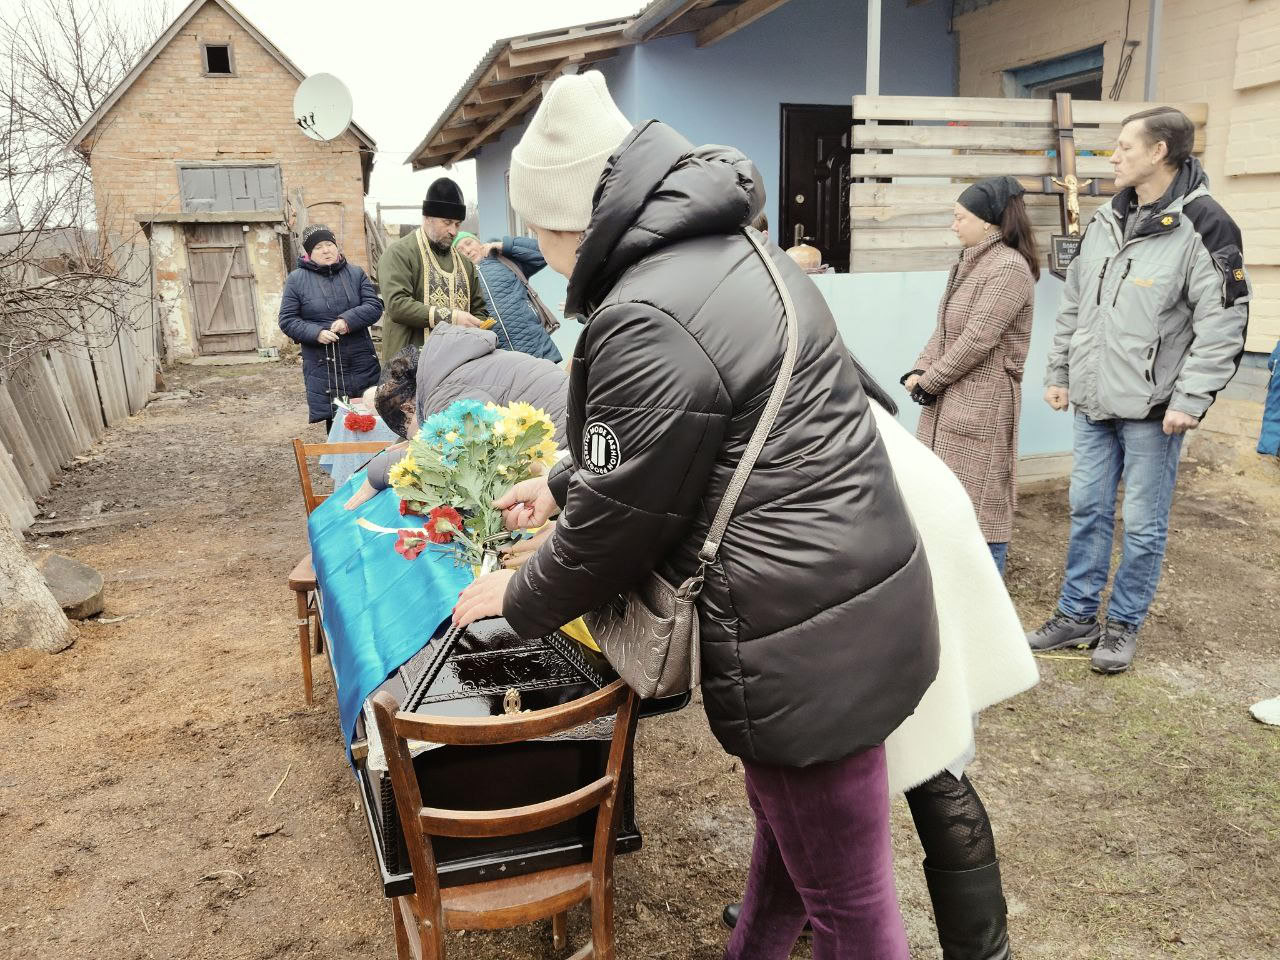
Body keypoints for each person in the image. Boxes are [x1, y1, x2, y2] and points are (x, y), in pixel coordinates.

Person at [451, 71, 939, 960]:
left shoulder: (646, 309)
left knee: (853, 910)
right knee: (797, 839)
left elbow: (617, 524)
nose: (535, 248)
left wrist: (516, 595)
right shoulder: (725, 249)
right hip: (848, 591)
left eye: (534, 227)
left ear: (567, 217)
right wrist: (563, 483)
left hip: (798, 633)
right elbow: (682, 438)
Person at [1028, 106, 1249, 674]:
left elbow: (1222, 319)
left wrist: (1191, 398)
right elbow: (1075, 306)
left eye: (1125, 146)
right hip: (1094, 398)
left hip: (1155, 409)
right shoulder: (1105, 219)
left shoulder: (1206, 223)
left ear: (1160, 152)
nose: (1114, 155)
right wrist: (1060, 373)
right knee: (1087, 509)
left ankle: (1123, 624)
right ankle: (1077, 615)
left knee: (1144, 523)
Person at [901, 177, 1039, 576]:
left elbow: (979, 338)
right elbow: (944, 330)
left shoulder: (1009, 268)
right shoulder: (968, 261)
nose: (953, 225)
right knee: (942, 502)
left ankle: (987, 602)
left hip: (984, 403)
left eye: (960, 217)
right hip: (948, 400)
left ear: (990, 223)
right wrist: (920, 368)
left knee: (981, 510)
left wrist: (930, 382)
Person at [342, 326, 568, 510]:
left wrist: (380, 470)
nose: (417, 438)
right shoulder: (449, 367)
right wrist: (411, 445)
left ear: (409, 408)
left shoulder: (443, 394)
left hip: (567, 452)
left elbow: (458, 456)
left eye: (409, 432)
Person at [277, 224, 382, 430]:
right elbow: (287, 320)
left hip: (361, 361)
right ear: (309, 253)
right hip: (324, 366)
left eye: (329, 244)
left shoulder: (355, 273)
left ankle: (374, 462)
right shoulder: (296, 280)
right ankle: (343, 462)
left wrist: (348, 321)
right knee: (338, 422)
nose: (326, 250)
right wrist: (316, 333)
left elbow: (374, 306)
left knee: (372, 415)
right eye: (318, 247)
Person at [376, 177, 490, 364]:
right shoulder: (399, 253)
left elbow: (479, 309)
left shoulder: (465, 263)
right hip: (409, 366)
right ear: (427, 217)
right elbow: (397, 305)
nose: (454, 231)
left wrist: (476, 325)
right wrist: (451, 317)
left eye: (458, 224)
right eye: (447, 222)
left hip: (457, 365)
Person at [453, 232, 563, 363]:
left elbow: (542, 252)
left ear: (479, 242)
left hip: (537, 348)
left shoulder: (505, 260)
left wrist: (504, 245)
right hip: (501, 360)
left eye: (469, 243)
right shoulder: (461, 282)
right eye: (460, 250)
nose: (467, 251)